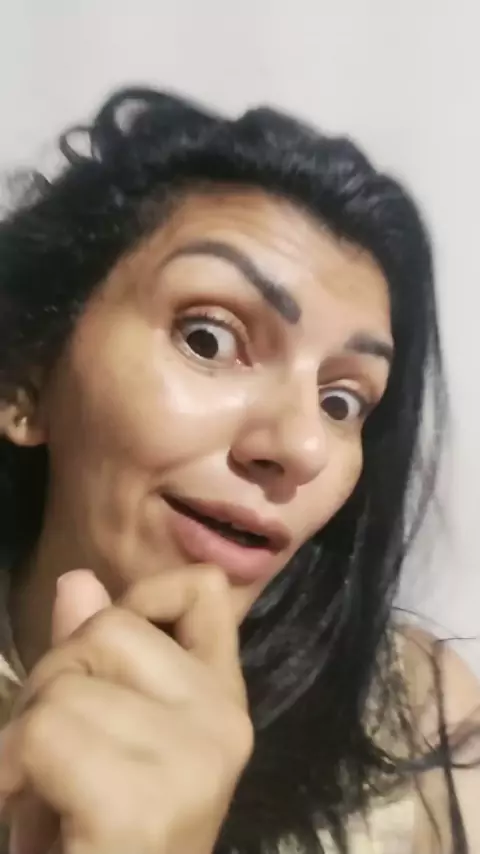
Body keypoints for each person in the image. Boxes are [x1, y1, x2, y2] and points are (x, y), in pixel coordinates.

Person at [0, 86, 478, 854]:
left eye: (342, 401)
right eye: (209, 340)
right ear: (25, 381)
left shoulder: (424, 717)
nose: (301, 446)